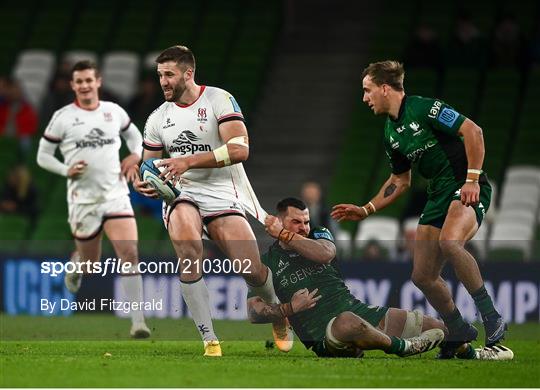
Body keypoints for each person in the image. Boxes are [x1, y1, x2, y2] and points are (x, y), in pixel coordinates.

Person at [331, 61, 511, 359]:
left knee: (450, 242)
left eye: (367, 90)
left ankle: (492, 317)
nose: (364, 98)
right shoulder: (391, 132)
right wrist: (366, 209)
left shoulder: (425, 108)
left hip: (463, 183)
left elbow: (473, 131)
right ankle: (458, 329)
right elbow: (400, 181)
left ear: (384, 88)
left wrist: (472, 179)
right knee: (422, 275)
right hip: (438, 193)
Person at [133, 45, 289, 357]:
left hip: (222, 193)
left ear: (188, 73)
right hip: (182, 194)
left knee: (252, 270)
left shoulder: (218, 99)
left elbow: (240, 149)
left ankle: (277, 312)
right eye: (159, 74)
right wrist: (145, 184)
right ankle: (209, 339)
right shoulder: (157, 118)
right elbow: (148, 166)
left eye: (169, 74)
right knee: (188, 248)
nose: (162, 81)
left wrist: (188, 161)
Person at [247, 197, 447, 358]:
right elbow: (253, 312)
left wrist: (284, 234)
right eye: (296, 222)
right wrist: (290, 308)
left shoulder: (319, 235)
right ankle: (402, 347)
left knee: (436, 326)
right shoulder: (266, 263)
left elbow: (325, 254)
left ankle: (466, 351)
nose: (304, 228)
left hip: (360, 313)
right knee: (346, 321)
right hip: (324, 335)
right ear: (279, 221)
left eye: (306, 222)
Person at [36, 60, 150, 338]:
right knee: (91, 265)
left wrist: (135, 155)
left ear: (98, 81)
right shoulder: (62, 117)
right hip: (83, 201)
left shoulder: (113, 112)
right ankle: (77, 264)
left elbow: (136, 138)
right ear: (74, 85)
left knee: (130, 254)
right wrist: (65, 169)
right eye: (80, 81)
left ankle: (138, 322)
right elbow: (42, 156)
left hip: (115, 194)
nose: (85, 85)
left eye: (89, 80)